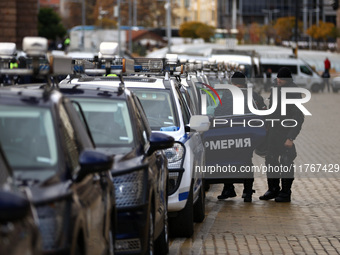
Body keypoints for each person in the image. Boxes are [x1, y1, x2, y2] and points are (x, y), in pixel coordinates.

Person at [216, 71, 267, 202]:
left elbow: (218, 113)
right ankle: (244, 190)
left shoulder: (228, 95)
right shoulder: (251, 95)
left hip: (232, 134)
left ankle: (237, 189)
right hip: (245, 135)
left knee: (230, 161)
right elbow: (263, 112)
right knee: (244, 161)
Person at [259, 67, 304, 202]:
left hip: (285, 132)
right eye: (278, 78)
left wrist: (291, 137)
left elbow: (298, 117)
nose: (279, 80)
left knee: (286, 161)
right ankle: (273, 189)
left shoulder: (294, 92)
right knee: (271, 160)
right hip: (273, 131)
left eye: (282, 79)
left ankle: (285, 193)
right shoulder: (275, 88)